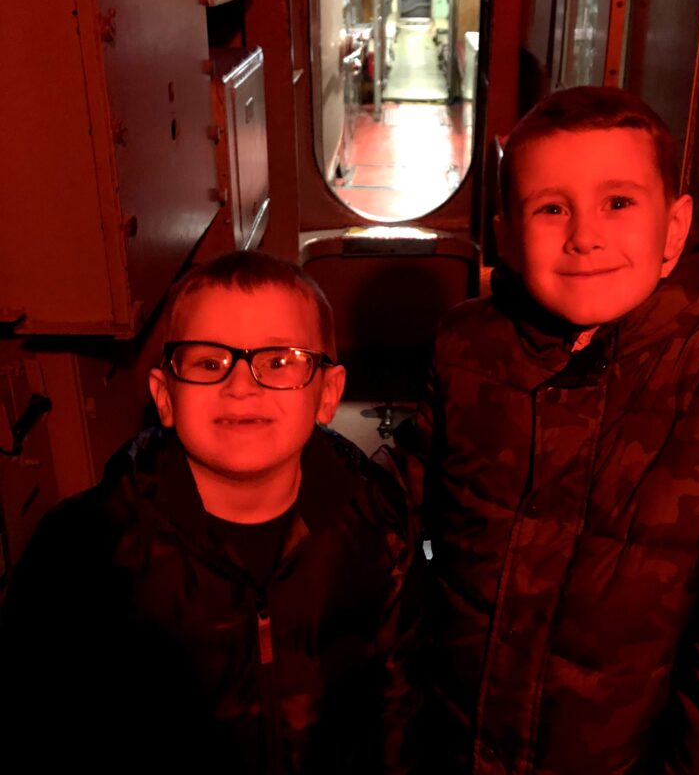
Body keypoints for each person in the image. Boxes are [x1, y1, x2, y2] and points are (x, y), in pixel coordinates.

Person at [400, 86, 699, 773]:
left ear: (676, 227)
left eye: (619, 203)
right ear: (506, 236)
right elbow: (420, 547)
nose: (585, 235)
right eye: (550, 209)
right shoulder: (464, 349)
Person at [0, 251, 423, 773]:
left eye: (279, 360)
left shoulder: (381, 527)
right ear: (165, 396)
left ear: (327, 394)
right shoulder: (82, 549)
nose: (241, 385)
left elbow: (399, 702)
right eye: (207, 362)